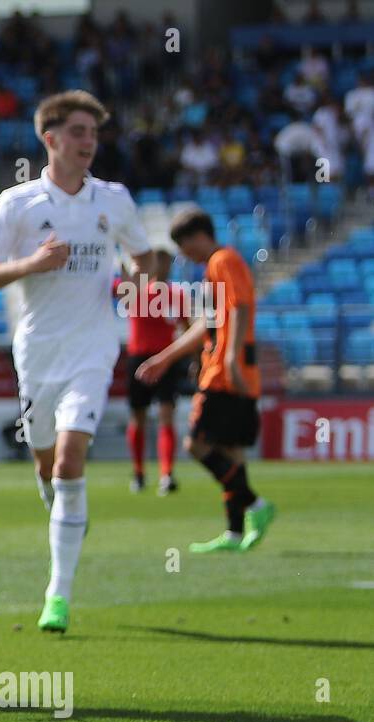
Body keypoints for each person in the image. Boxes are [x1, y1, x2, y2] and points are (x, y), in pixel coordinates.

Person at [0, 90, 154, 634]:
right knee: (48, 467)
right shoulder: (17, 203)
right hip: (37, 350)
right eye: (77, 132)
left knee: (72, 461)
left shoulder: (114, 199)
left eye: (93, 134)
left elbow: (143, 258)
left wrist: (137, 284)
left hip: (94, 348)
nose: (88, 142)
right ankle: (66, 513)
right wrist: (32, 263)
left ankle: (58, 593)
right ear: (50, 140)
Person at [137, 209, 275, 552]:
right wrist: (167, 357)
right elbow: (207, 325)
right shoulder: (217, 266)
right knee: (230, 451)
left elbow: (241, 307)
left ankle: (256, 506)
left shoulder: (222, 261)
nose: (184, 255)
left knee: (197, 444)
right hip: (229, 369)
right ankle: (234, 532)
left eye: (184, 246)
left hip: (225, 373)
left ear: (198, 236)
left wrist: (229, 358)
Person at [117, 248, 188, 494]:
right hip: (139, 358)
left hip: (166, 359)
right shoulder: (136, 291)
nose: (164, 266)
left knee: (166, 414)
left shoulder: (175, 294)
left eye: (166, 262)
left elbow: (187, 328)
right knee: (139, 416)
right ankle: (138, 473)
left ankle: (166, 474)